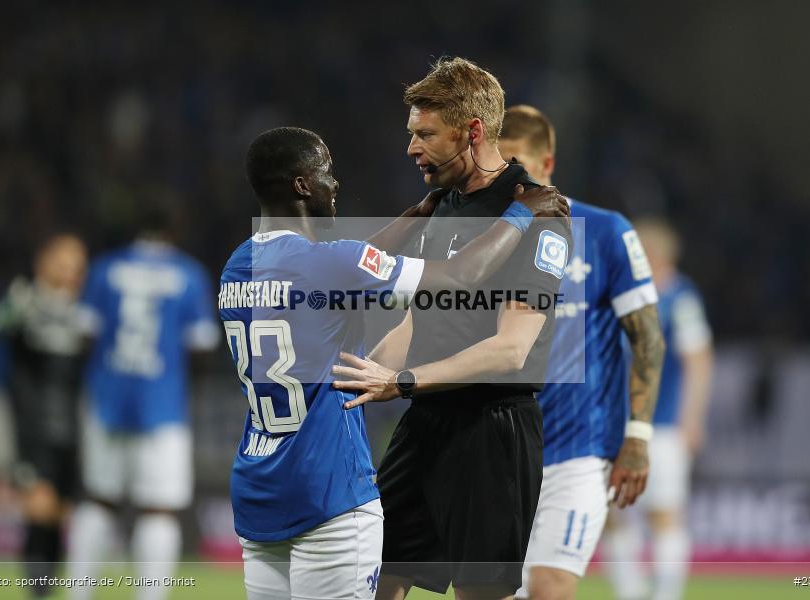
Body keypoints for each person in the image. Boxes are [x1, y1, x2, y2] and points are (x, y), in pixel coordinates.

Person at [221, 126, 568, 600]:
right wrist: (521, 214)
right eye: (325, 172)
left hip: (258, 488)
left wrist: (418, 214)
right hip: (328, 489)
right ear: (302, 185)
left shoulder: (239, 264)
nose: (334, 183)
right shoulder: (330, 264)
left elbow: (351, 260)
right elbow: (459, 277)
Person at [336, 59, 572, 600]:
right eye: (411, 134)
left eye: (425, 134)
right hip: (425, 424)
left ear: (471, 132)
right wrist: (361, 375)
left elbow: (511, 350)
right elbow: (418, 322)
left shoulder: (537, 213)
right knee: (374, 575)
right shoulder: (441, 204)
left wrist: (404, 382)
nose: (411, 147)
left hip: (491, 431)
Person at [497, 105, 665, 600]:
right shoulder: (475, 238)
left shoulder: (605, 231)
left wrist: (637, 435)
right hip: (497, 449)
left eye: (518, 165)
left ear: (547, 165)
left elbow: (648, 336)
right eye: (497, 167)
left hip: (577, 449)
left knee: (550, 588)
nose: (509, 180)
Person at [66, 208, 221, 600]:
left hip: (105, 400)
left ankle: (78, 594)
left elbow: (83, 336)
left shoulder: (104, 269)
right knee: (159, 509)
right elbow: (201, 347)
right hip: (163, 405)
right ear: (172, 228)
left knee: (99, 499)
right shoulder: (187, 274)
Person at [603, 218, 714, 600]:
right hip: (615, 424)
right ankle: (630, 593)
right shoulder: (622, 294)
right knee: (614, 515)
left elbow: (698, 359)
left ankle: (666, 595)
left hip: (662, 426)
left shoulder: (680, 298)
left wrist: (691, 419)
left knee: (663, 513)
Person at [0, 234, 88, 598]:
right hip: (33, 428)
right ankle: (37, 592)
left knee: (59, 515)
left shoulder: (84, 313)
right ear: (44, 261)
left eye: (78, 264)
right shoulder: (25, 301)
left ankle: (47, 591)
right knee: (39, 510)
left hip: (74, 429)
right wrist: (8, 312)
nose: (72, 270)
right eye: (65, 261)